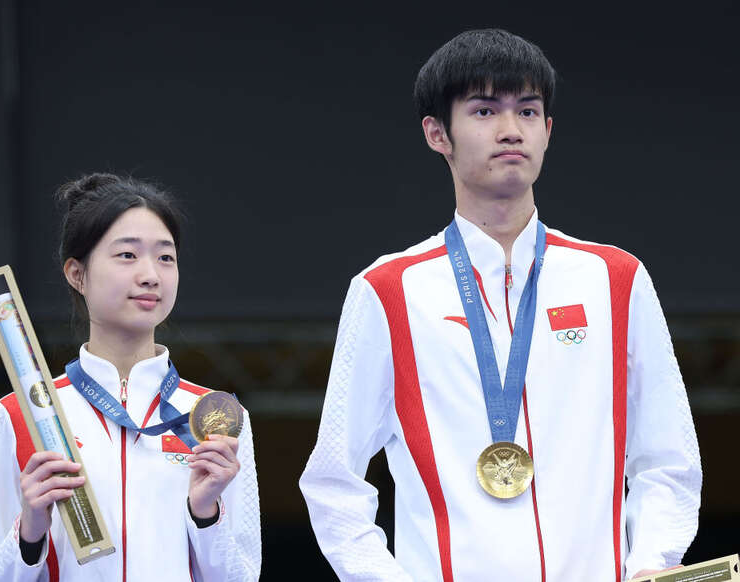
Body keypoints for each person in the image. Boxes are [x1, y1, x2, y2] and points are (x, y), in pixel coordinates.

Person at [299, 29, 701, 582]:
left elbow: (668, 460)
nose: (511, 130)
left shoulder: (615, 278)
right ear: (437, 133)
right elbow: (333, 481)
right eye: (485, 110)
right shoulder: (388, 290)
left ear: (548, 130)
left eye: (528, 111)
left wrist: (651, 566)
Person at [0, 173, 261, 581]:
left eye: (165, 257)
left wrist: (205, 513)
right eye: (127, 255)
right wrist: (30, 533)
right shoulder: (20, 415)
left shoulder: (214, 418)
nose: (151, 275)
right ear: (77, 273)